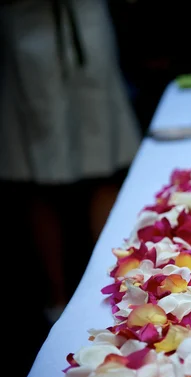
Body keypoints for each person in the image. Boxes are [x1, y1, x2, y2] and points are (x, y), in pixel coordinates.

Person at [0, 0, 141, 320]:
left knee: (106, 158)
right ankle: (57, 299)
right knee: (35, 172)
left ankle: (119, 283)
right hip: (26, 21)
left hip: (84, 16)